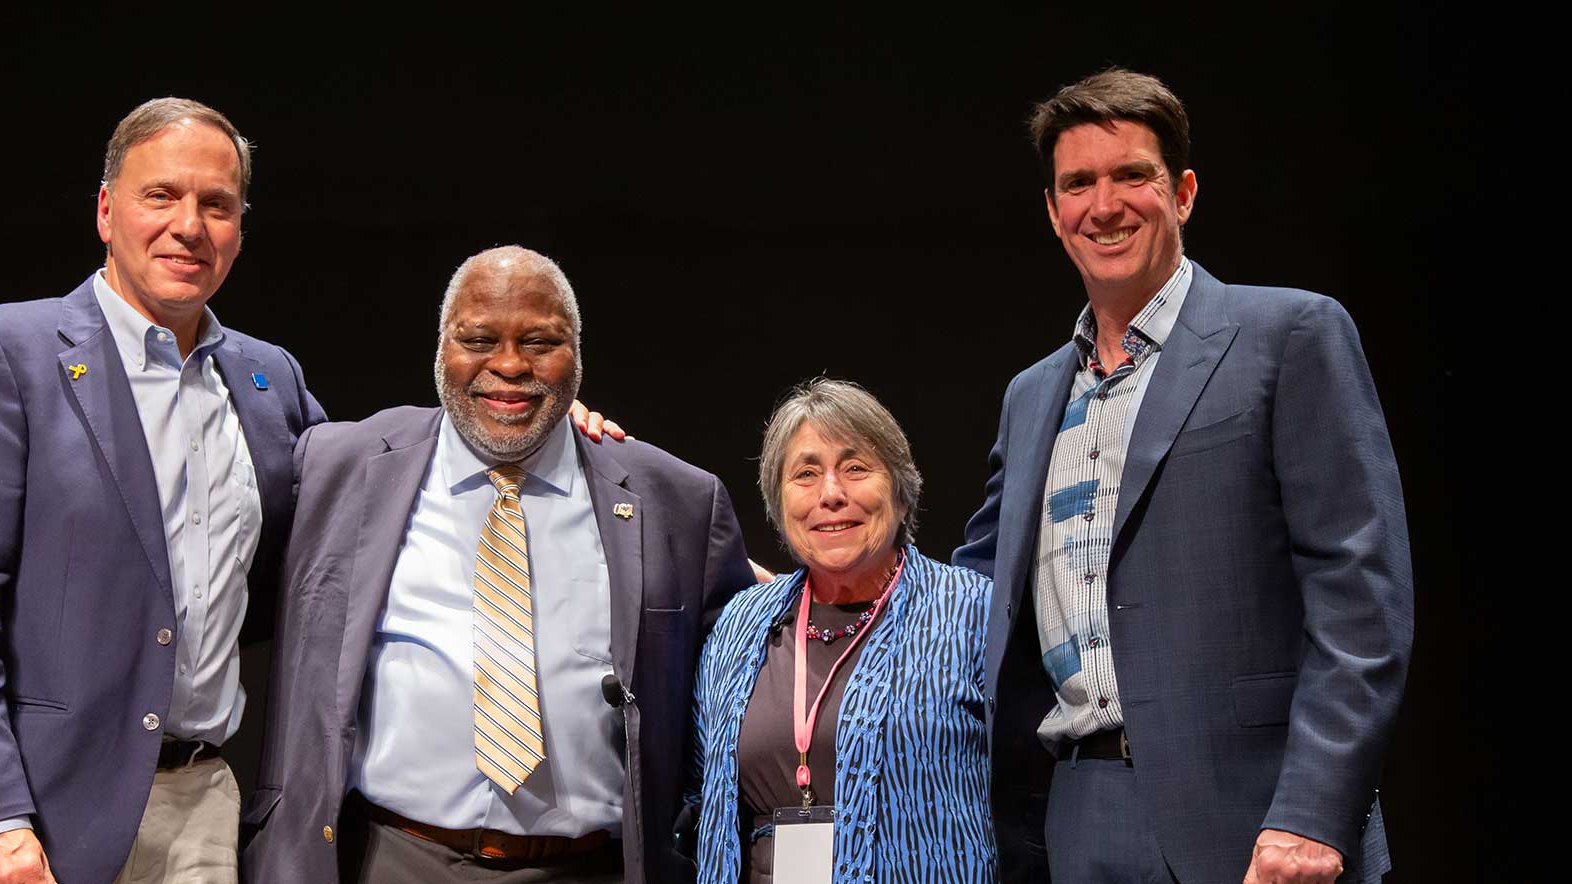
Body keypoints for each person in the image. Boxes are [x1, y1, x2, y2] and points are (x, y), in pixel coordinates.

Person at [0, 99, 620, 884]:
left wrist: (529, 414)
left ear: (240, 227)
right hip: (40, 808)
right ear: (106, 210)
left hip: (201, 802)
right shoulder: (3, 356)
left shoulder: (268, 381)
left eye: (217, 205)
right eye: (160, 195)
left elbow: (379, 504)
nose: (189, 225)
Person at [952, 69, 1412, 884]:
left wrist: (1311, 811)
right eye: (1078, 184)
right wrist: (787, 585)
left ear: (1184, 192)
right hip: (1074, 817)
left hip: (1255, 818)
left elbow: (1361, 599)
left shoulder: (1289, 335)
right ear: (1054, 213)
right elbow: (967, 596)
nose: (1105, 204)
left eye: (1133, 175)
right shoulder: (1031, 397)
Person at [240, 245, 756, 884]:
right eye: (479, 339)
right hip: (387, 857)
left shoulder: (674, 500)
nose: (509, 366)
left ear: (577, 355)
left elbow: (740, 690)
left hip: (594, 867)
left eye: (540, 342)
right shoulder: (334, 466)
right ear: (440, 349)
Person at [689, 379, 996, 884]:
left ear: (900, 491)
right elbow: (699, 791)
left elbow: (1027, 788)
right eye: (805, 474)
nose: (830, 494)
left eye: (855, 469)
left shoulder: (971, 610)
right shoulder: (738, 626)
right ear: (777, 502)